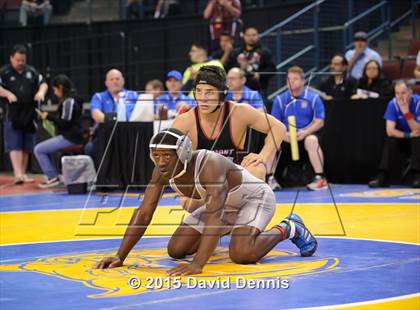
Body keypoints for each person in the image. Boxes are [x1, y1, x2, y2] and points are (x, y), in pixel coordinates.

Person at [94, 128, 318, 275]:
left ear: (182, 153)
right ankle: (238, 231)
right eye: (156, 155)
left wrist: (198, 264)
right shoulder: (161, 171)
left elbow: (214, 215)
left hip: (254, 198)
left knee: (242, 254)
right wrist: (119, 255)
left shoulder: (209, 165)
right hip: (223, 205)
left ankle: (288, 227)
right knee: (176, 249)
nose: (160, 162)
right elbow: (144, 213)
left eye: (166, 156)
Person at [173, 65, 284, 183]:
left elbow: (278, 127)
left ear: (222, 94)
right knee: (185, 187)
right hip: (206, 180)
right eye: (199, 91)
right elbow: (161, 153)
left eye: (209, 92)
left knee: (257, 169)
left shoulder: (239, 112)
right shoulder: (185, 121)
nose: (203, 98)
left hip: (237, 177)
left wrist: (263, 156)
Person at [271, 66, 328, 191]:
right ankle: (271, 178)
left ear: (303, 81)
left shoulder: (313, 98)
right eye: (289, 79)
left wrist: (306, 132)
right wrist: (284, 134)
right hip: (286, 137)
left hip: (305, 136)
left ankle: (320, 178)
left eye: (295, 79)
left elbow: (320, 121)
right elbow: (274, 123)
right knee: (272, 140)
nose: (292, 82)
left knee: (312, 140)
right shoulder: (280, 100)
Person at [0, 44, 48, 184]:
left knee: (27, 145)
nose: (20, 63)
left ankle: (23, 173)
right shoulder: (4, 72)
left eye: (23, 60)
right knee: (15, 144)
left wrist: (41, 92)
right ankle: (17, 173)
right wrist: (7, 93)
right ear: (11, 58)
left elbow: (43, 83)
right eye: (17, 60)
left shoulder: (31, 71)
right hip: (12, 112)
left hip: (30, 111)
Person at [34, 75, 83, 188]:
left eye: (55, 89)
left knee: (38, 149)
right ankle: (54, 175)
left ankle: (52, 177)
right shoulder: (68, 100)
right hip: (67, 136)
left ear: (60, 87)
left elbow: (65, 123)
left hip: (70, 138)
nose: (55, 93)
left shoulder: (69, 101)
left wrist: (49, 117)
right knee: (45, 148)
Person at [368, 80, 420, 188]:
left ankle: (416, 176)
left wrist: (406, 112)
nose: (400, 97)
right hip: (406, 137)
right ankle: (383, 176)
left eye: (403, 93)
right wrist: (408, 135)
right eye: (397, 93)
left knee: (417, 138)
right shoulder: (393, 104)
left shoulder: (418, 103)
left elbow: (417, 130)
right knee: (390, 139)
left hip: (417, 138)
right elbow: (390, 130)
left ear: (410, 92)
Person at [84, 69, 138, 158]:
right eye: (111, 79)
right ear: (106, 83)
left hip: (129, 135)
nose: (115, 82)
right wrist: (114, 118)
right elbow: (96, 114)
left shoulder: (134, 95)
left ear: (123, 81)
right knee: (90, 148)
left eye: (117, 79)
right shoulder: (99, 97)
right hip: (104, 135)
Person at [231, 27, 275, 94]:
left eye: (253, 35)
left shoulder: (265, 52)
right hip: (238, 90)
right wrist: (240, 68)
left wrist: (260, 75)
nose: (251, 37)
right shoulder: (236, 53)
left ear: (258, 36)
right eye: (248, 35)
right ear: (244, 36)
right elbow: (229, 68)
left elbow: (272, 69)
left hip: (259, 89)